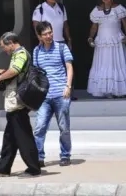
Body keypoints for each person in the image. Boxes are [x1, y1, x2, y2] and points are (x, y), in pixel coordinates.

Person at [0, 32, 41, 177]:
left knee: (24, 137)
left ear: (11, 43)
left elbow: (15, 70)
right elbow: (17, 72)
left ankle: (33, 168)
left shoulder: (21, 53)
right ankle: (3, 168)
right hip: (14, 100)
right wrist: (4, 72)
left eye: (3, 47)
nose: (4, 50)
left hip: (18, 101)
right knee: (9, 138)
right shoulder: (18, 54)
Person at [32, 22, 74, 167]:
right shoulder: (36, 51)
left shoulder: (62, 48)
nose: (49, 36)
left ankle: (65, 155)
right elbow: (36, 73)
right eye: (45, 34)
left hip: (61, 94)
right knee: (39, 127)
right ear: (39, 36)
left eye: (50, 32)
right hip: (44, 97)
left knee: (63, 127)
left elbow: (69, 68)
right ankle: (38, 157)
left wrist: (68, 86)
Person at [87, 0, 126, 98]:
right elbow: (94, 26)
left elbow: (125, 23)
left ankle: (118, 90)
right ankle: (106, 91)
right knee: (104, 64)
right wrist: (90, 37)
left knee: (116, 64)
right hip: (102, 41)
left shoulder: (119, 9)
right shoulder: (97, 10)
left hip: (115, 40)